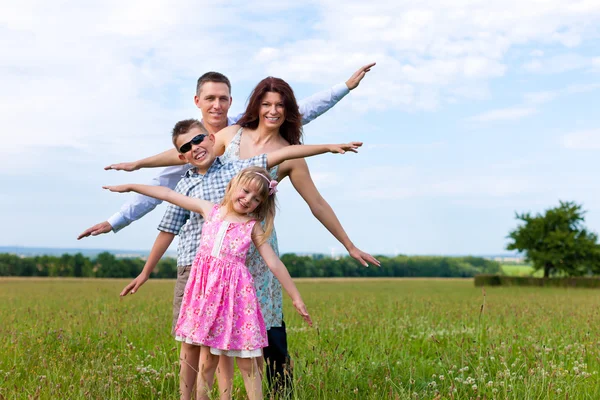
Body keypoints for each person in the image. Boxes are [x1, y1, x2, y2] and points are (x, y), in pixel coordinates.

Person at [105, 76, 381, 394]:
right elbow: (187, 153)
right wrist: (138, 165)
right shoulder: (231, 134)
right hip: (216, 245)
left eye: (280, 105)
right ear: (256, 106)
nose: (272, 111)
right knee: (215, 338)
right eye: (266, 104)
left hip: (255, 240)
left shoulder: (290, 153)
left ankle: (279, 391)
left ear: (289, 109)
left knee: (266, 325)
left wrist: (349, 244)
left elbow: (317, 203)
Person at [77, 63, 375, 239]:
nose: (216, 105)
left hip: (251, 233)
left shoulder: (242, 127)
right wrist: (120, 211)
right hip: (206, 233)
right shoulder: (198, 141)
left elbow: (299, 110)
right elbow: (165, 180)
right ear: (197, 101)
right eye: (210, 99)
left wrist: (344, 87)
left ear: (232, 101)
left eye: (223, 98)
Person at [103, 167, 316, 400]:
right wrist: (131, 186)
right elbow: (168, 194)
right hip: (203, 293)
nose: (248, 200)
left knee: (247, 361)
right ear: (233, 185)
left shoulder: (252, 226)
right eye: (245, 192)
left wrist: (296, 297)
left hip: (235, 296)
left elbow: (274, 263)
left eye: (256, 199)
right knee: (207, 361)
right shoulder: (211, 210)